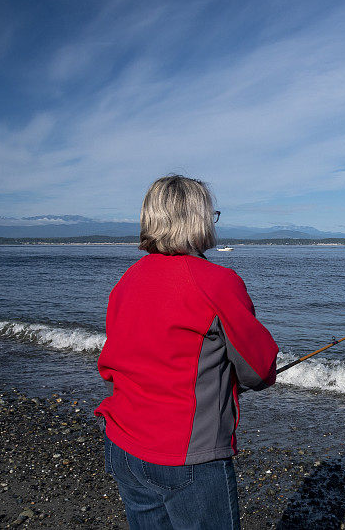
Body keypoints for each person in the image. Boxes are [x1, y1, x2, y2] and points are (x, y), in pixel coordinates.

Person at [95, 174, 278, 530]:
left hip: (122, 444)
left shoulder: (127, 279)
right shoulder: (218, 282)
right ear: (199, 220)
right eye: (212, 215)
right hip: (188, 458)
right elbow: (259, 370)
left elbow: (120, 358)